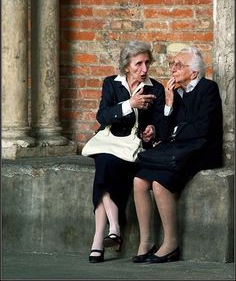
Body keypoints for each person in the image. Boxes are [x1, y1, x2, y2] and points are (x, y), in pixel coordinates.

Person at [132, 46, 223, 263]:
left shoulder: (208, 89)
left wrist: (175, 131)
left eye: (178, 65)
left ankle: (171, 244)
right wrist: (169, 103)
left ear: (194, 73)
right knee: (139, 180)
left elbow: (202, 129)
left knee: (159, 184)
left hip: (202, 151)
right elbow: (163, 134)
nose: (172, 69)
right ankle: (146, 242)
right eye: (172, 64)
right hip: (177, 151)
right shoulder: (175, 92)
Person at [88, 41, 167, 263]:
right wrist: (130, 103)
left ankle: (100, 237)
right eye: (138, 64)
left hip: (133, 148)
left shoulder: (156, 89)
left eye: (146, 63)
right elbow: (102, 117)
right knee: (105, 161)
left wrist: (152, 130)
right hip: (109, 143)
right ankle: (112, 228)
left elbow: (159, 123)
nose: (144, 69)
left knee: (105, 167)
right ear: (126, 66)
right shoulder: (111, 84)